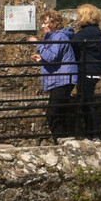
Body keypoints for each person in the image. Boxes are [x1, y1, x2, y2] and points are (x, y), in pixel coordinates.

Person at [29, 10, 78, 143]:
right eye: (43, 23)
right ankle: (63, 138)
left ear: (55, 24)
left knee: (53, 112)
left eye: (46, 23)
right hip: (59, 78)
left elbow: (52, 57)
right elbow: (53, 57)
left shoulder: (60, 37)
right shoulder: (52, 37)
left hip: (63, 78)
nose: (43, 26)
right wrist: (41, 58)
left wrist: (37, 44)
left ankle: (62, 139)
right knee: (58, 110)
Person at [70, 4, 101, 140]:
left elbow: (72, 42)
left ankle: (92, 133)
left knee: (86, 102)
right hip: (92, 69)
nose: (77, 18)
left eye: (79, 15)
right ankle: (90, 133)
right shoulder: (94, 31)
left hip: (88, 70)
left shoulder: (88, 32)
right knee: (85, 101)